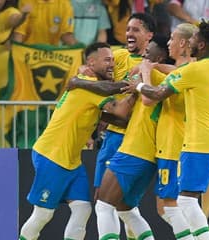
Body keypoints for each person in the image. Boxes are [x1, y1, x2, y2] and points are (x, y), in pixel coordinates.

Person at [123, 20, 209, 240]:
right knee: (184, 201)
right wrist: (156, 67)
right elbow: (178, 72)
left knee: (185, 201)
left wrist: (140, 85)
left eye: (193, 38)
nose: (190, 41)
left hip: (197, 143)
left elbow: (156, 94)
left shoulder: (194, 70)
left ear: (201, 45)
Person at [18, 42, 137, 240]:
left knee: (82, 209)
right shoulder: (88, 85)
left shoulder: (86, 85)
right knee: (43, 214)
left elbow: (114, 119)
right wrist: (135, 86)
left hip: (71, 161)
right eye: (107, 60)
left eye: (113, 61)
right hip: (52, 156)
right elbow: (121, 111)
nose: (112, 65)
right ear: (91, 62)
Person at [70, 12, 157, 239]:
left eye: (136, 30)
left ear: (149, 36)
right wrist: (83, 72)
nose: (129, 33)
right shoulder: (117, 57)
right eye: (128, 29)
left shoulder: (152, 68)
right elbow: (94, 70)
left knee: (105, 202)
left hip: (131, 139)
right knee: (123, 207)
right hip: (113, 137)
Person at [139, 23, 198, 240]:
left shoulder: (186, 72)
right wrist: (155, 67)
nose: (169, 43)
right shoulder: (187, 70)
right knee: (165, 207)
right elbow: (174, 71)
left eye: (172, 38)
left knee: (171, 207)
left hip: (175, 145)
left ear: (183, 43)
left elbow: (148, 98)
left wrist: (146, 72)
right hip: (170, 144)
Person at [13, 0, 79, 46]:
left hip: (51, 55)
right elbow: (19, 33)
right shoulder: (26, 1)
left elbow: (66, 35)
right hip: (28, 53)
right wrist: (16, 56)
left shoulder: (65, 4)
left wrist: (79, 48)